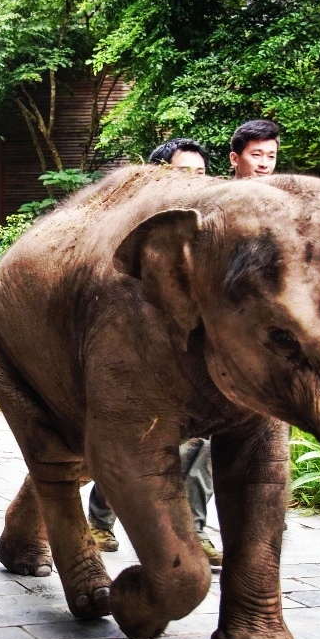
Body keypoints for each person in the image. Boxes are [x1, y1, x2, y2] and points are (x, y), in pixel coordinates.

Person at [88, 138, 221, 566]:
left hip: (193, 349)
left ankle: (194, 531)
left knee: (202, 444)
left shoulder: (213, 226)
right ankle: (99, 521)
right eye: (185, 174)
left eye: (201, 174)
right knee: (131, 434)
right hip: (140, 348)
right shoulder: (136, 221)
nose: (194, 183)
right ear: (158, 173)